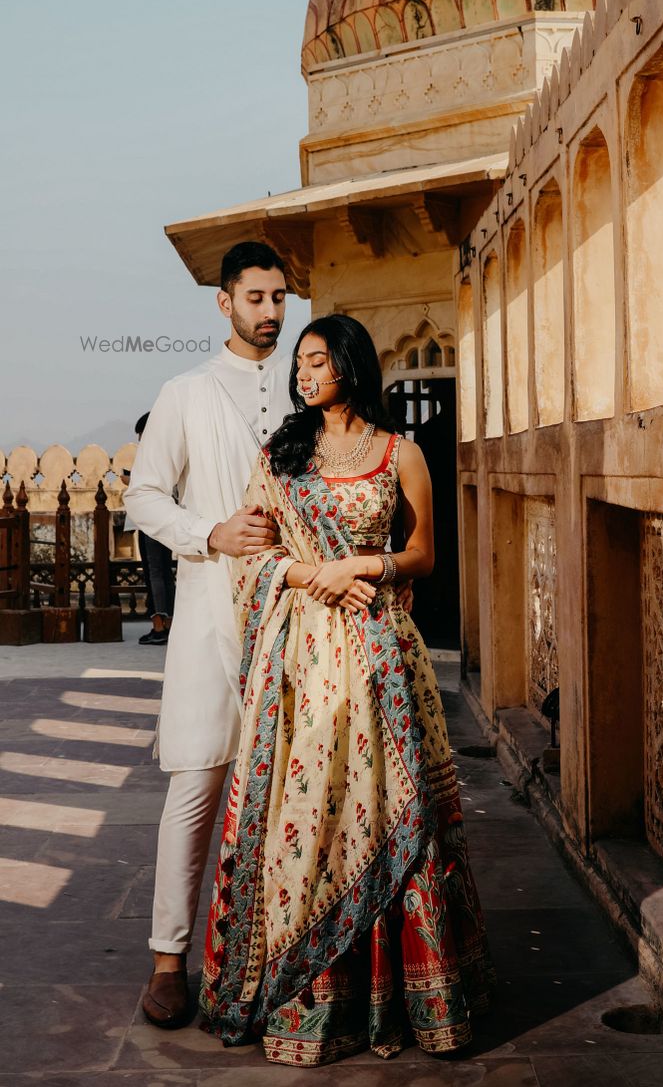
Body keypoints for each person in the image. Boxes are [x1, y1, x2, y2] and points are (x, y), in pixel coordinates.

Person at [199, 313, 492, 1066]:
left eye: (319, 359)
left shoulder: (403, 452)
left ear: (352, 363)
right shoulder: (283, 453)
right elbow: (254, 555)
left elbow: (424, 553)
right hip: (302, 665)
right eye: (300, 362)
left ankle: (405, 998)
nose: (305, 373)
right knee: (310, 813)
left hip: (386, 659)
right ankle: (312, 995)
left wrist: (367, 568)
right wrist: (312, 573)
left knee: (398, 810)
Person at [123, 240, 290, 1028]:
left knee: (290, 783)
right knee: (196, 781)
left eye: (280, 297)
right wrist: (209, 533)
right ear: (223, 302)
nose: (270, 311)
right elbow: (144, 499)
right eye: (255, 297)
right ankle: (167, 959)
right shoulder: (185, 392)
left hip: (291, 615)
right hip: (207, 614)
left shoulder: (303, 394)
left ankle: (278, 958)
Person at [132, 412, 176, 646]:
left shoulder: (150, 457)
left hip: (152, 522)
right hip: (168, 520)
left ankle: (159, 626)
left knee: (155, 574)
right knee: (165, 573)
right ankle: (168, 625)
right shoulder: (171, 453)